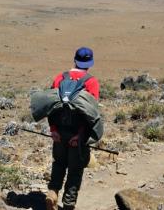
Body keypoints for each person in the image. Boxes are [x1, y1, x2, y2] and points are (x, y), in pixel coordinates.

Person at [46, 47, 100, 210]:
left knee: (59, 163)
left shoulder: (60, 78)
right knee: (75, 171)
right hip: (78, 134)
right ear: (89, 63)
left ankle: (52, 193)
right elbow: (91, 113)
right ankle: (68, 205)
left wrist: (54, 129)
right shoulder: (91, 82)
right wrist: (81, 136)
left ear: (74, 60)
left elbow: (51, 106)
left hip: (59, 133)